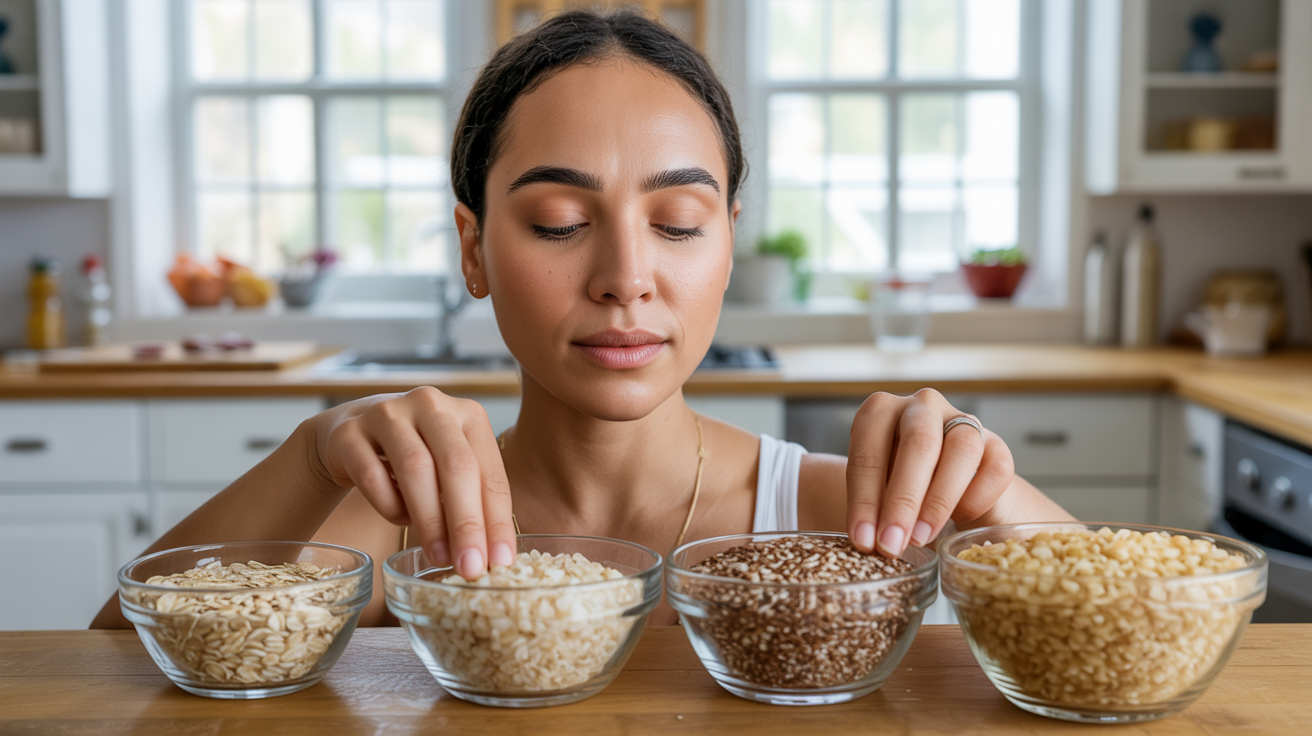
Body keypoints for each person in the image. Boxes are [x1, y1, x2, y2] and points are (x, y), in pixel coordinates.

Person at [92, 10, 1070, 629]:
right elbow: (116, 667)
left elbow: (1132, 627)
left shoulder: (833, 516)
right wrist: (309, 454)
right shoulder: (389, 528)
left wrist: (990, 494)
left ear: (727, 241)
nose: (624, 277)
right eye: (559, 222)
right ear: (472, 248)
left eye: (677, 222)